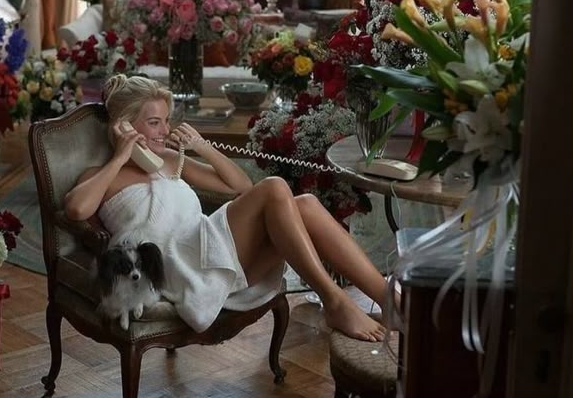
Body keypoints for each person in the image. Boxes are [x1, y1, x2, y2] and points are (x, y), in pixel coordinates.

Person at [64, 74, 390, 341]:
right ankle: (335, 301)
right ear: (124, 127)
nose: (165, 131)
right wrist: (122, 156)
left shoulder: (167, 161)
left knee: (304, 204)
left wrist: (202, 148)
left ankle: (393, 303)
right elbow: (77, 210)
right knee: (276, 187)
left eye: (166, 121)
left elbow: (240, 187)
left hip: (203, 245)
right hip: (178, 266)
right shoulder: (99, 176)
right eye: (154, 123)